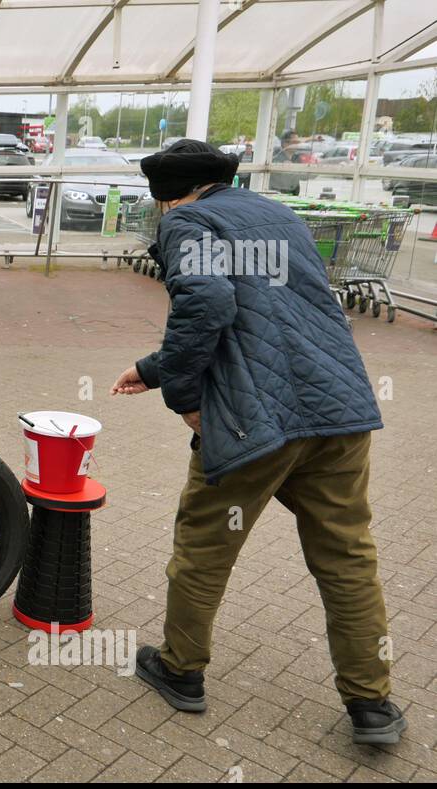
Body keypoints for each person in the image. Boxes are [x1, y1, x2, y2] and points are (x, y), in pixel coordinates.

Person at [110, 139, 403, 746]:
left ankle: (180, 670)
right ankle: (371, 704)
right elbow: (267, 312)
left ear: (167, 197)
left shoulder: (187, 221)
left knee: (205, 544)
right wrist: (155, 366)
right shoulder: (279, 215)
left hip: (255, 419)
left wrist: (187, 397)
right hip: (338, 409)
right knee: (347, 555)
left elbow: (211, 299)